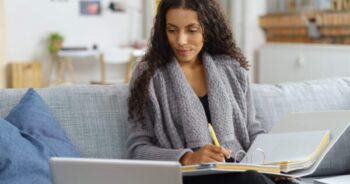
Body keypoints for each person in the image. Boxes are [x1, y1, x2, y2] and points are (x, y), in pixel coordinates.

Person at [127, 0, 289, 183]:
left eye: (192, 30)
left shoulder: (232, 69)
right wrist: (187, 158)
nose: (181, 40)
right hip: (188, 176)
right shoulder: (148, 74)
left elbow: (252, 131)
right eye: (172, 30)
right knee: (251, 180)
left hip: (238, 169)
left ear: (208, 28)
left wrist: (276, 161)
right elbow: (137, 149)